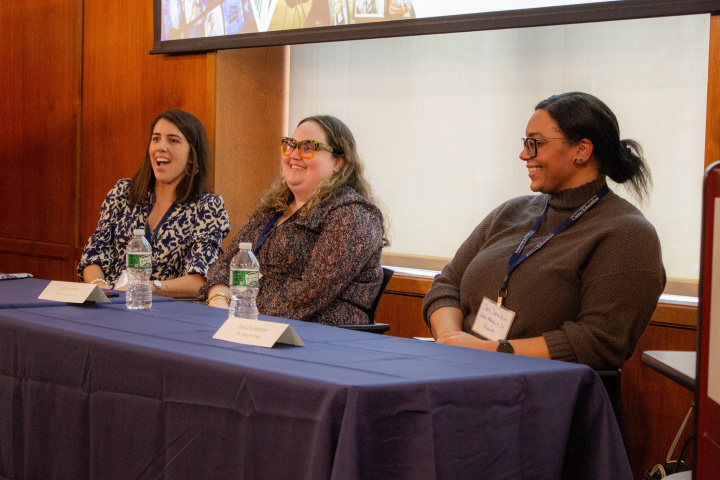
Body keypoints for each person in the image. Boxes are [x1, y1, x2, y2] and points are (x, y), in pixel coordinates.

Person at [423, 92, 666, 370]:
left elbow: (598, 341)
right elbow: (447, 284)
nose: (524, 154)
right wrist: (451, 340)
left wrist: (486, 351)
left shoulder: (628, 234)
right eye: (525, 143)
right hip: (460, 372)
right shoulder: (511, 212)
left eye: (535, 143)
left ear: (582, 151)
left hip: (544, 398)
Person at [201, 115, 387, 326]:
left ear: (338, 162)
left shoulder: (354, 215)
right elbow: (226, 264)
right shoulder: (274, 208)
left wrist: (242, 309)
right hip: (250, 322)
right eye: (291, 145)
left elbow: (310, 294)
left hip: (318, 339)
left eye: (308, 147)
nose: (294, 155)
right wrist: (219, 299)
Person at [78, 109, 231, 298]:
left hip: (166, 313)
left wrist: (147, 288)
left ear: (192, 155)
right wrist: (99, 287)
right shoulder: (123, 192)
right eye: (156, 139)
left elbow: (199, 279)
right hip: (112, 304)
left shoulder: (207, 207)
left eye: (173, 140)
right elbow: (94, 254)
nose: (161, 147)